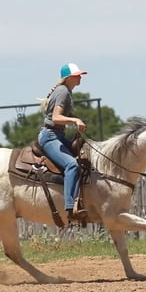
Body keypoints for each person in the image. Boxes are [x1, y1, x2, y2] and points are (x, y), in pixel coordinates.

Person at [38, 62, 89, 224]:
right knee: (72, 165)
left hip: (57, 135)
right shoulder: (63, 92)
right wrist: (75, 120)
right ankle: (70, 207)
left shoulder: (66, 92)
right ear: (69, 78)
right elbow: (56, 118)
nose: (80, 77)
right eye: (77, 75)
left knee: (84, 159)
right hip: (50, 136)